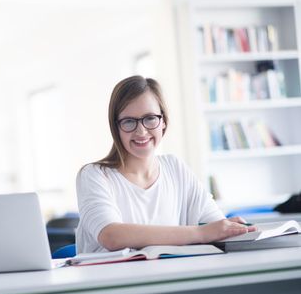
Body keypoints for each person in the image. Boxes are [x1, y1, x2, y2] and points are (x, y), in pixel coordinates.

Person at [75, 75, 255, 253]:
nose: (141, 131)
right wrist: (200, 233)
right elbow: (111, 236)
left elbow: (215, 226)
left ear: (163, 121)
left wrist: (233, 230)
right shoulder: (94, 175)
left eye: (150, 118)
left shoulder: (175, 168)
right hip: (111, 280)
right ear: (116, 128)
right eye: (129, 121)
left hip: (171, 277)